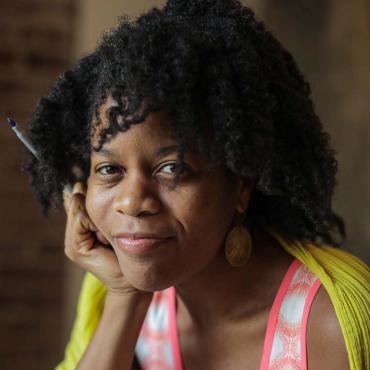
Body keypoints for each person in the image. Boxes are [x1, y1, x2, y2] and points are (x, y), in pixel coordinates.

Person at [25, 1, 369, 369]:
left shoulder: (328, 321)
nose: (132, 201)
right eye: (109, 169)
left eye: (172, 168)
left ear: (241, 184)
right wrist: (126, 298)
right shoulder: (112, 284)